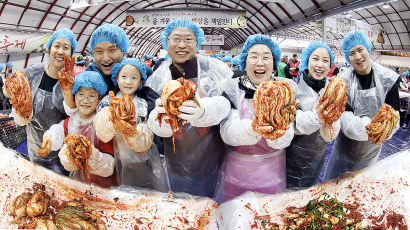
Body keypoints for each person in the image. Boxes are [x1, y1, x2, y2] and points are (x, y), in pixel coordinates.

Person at [145, 18, 238, 198]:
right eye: (176, 39)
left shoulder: (213, 68)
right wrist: (161, 120)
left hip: (212, 161)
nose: (182, 45)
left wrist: (204, 110)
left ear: (197, 43)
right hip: (176, 162)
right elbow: (151, 115)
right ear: (166, 41)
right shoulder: (158, 76)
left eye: (188, 39)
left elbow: (229, 104)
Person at [215, 34, 294, 202]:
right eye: (254, 57)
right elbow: (227, 130)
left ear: (274, 63)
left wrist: (279, 131)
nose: (260, 62)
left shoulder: (283, 91)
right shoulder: (232, 88)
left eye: (266, 57)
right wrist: (252, 128)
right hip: (236, 173)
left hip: (272, 172)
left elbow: (288, 134)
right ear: (245, 61)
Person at [324, 31, 400, 180]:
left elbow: (394, 115)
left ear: (368, 49)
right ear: (348, 57)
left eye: (360, 50)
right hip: (344, 152)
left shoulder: (387, 79)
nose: (358, 56)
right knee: (333, 191)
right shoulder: (343, 81)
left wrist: (384, 130)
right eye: (352, 53)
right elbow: (345, 119)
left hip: (371, 153)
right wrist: (374, 129)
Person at [9, 29, 78, 175]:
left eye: (66, 48)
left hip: (65, 152)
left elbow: (76, 115)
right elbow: (14, 93)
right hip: (36, 149)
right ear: (49, 49)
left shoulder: (75, 80)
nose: (60, 51)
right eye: (56, 46)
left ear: (71, 53)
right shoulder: (32, 73)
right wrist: (19, 113)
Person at [93, 58, 168, 191]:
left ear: (140, 81)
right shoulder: (107, 102)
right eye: (124, 76)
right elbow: (102, 134)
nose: (128, 82)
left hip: (140, 160)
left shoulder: (143, 104)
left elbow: (147, 135)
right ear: (116, 77)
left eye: (134, 78)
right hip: (112, 159)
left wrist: (135, 133)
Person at [40, 71, 116, 187]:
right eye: (80, 94)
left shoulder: (103, 125)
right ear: (74, 97)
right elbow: (58, 131)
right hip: (77, 183)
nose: (85, 100)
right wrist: (50, 138)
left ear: (99, 99)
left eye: (91, 95)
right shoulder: (70, 122)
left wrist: (91, 156)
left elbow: (109, 165)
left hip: (102, 186)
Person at [286, 42, 341, 189]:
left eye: (325, 61)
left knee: (308, 195)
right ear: (306, 61)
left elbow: (331, 134)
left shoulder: (332, 91)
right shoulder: (292, 89)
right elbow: (292, 126)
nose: (320, 65)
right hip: (291, 159)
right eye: (315, 59)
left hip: (317, 158)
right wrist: (319, 117)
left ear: (330, 66)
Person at [86, 24, 130, 93]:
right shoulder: (89, 76)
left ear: (122, 51)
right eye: (99, 51)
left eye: (112, 50)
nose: (106, 58)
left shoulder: (135, 72)